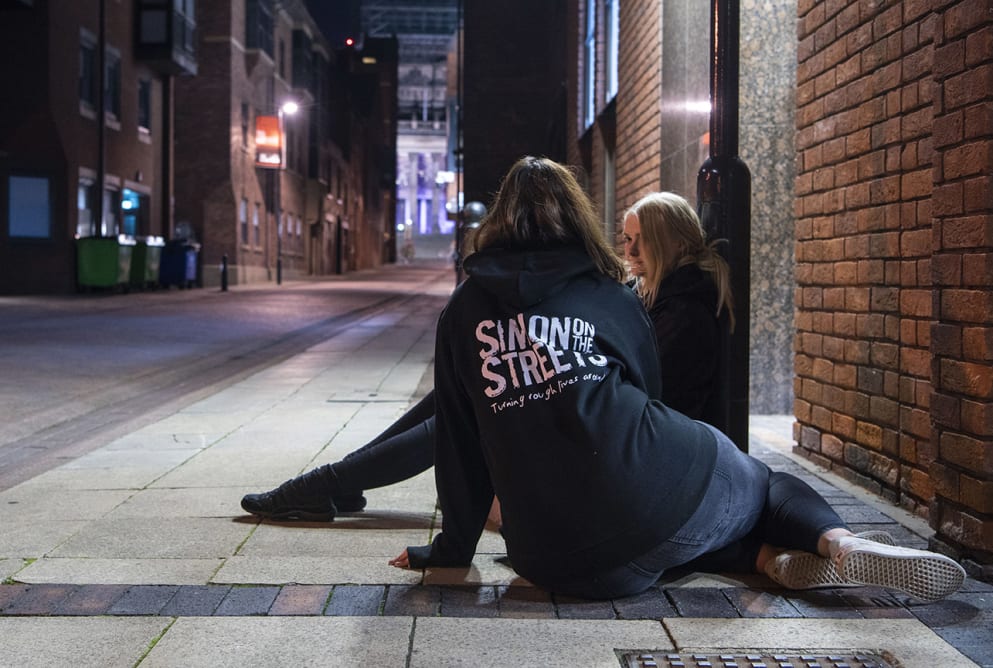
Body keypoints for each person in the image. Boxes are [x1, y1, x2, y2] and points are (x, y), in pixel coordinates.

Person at [386, 156, 965, 603]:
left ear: (499, 222)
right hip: (647, 498)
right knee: (755, 480)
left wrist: (449, 549)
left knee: (648, 529)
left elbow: (456, 441)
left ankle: (765, 559)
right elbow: (647, 389)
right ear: (578, 216)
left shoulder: (463, 309)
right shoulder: (609, 292)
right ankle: (839, 542)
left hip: (556, 561)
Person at [241, 193, 734, 523]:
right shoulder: (656, 293)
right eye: (624, 238)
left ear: (665, 242)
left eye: (636, 240)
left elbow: (653, 398)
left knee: (475, 413)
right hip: (596, 418)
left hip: (628, 447)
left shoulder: (685, 311)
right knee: (459, 390)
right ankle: (341, 479)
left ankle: (323, 485)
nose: (626, 250)